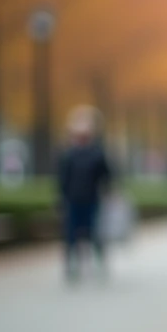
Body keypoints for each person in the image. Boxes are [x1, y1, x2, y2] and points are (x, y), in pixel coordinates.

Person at [57, 106, 112, 282]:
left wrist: (108, 191)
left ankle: (99, 262)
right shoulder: (68, 154)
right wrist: (61, 197)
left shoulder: (97, 153)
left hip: (92, 199)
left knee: (94, 233)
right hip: (73, 199)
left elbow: (106, 174)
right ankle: (71, 265)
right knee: (71, 235)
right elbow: (62, 178)